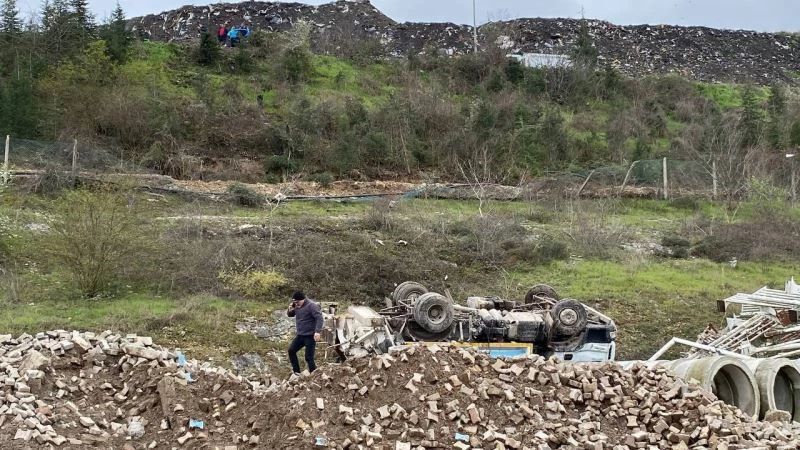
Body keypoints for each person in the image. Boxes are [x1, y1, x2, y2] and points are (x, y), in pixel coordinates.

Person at [286, 290, 323, 374]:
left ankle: (314, 375)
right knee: (291, 351)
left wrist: (317, 331)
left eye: (297, 302)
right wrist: (289, 309)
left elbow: (319, 318)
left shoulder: (311, 306)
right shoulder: (296, 305)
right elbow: (290, 314)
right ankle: (297, 372)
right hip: (300, 335)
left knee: (309, 357)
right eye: (295, 302)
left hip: (310, 335)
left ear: (302, 299)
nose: (296, 304)